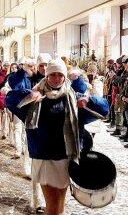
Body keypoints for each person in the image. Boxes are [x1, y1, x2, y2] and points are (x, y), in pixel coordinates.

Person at [6, 58, 108, 215]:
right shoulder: (37, 97)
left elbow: (104, 108)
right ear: (46, 76)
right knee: (53, 205)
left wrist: (88, 100)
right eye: (52, 75)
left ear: (65, 77)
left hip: (66, 158)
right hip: (44, 158)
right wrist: (29, 95)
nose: (56, 79)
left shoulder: (72, 97)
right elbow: (10, 99)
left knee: (59, 205)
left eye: (60, 75)